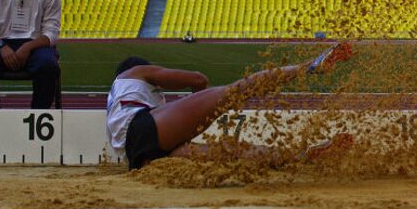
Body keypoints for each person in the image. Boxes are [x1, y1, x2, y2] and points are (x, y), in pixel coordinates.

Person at [106, 43, 353, 170]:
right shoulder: (135, 71)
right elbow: (198, 79)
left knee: (229, 151)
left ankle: (303, 157)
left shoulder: (117, 102)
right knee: (235, 91)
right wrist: (203, 105)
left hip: (141, 157)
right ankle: (311, 66)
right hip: (145, 129)